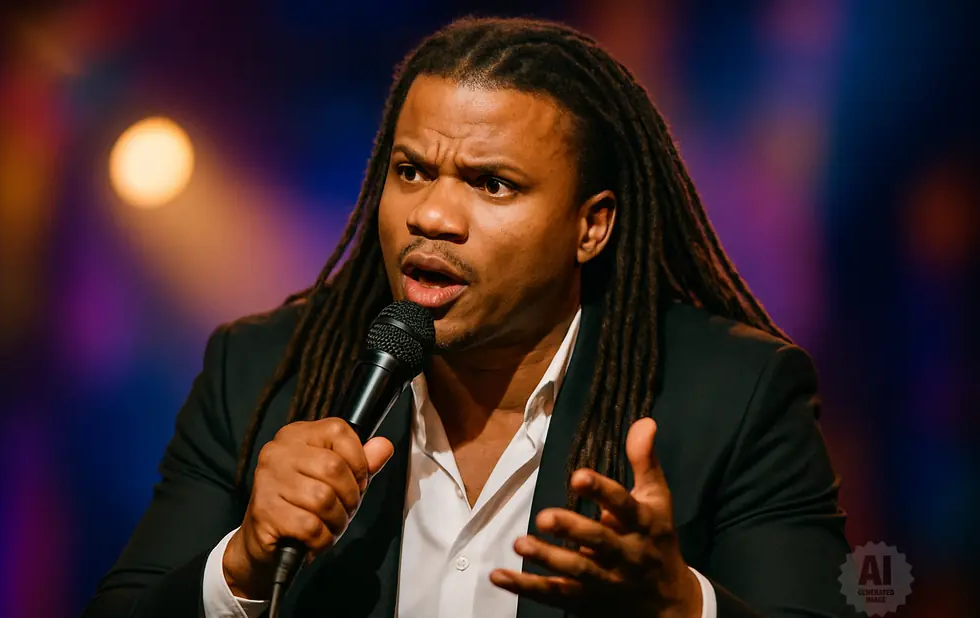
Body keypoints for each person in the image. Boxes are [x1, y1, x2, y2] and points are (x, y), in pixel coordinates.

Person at [83, 16, 858, 618]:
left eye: (491, 185)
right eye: (411, 171)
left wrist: (680, 607)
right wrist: (242, 565)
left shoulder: (735, 394)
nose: (433, 215)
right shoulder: (262, 373)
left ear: (591, 225)